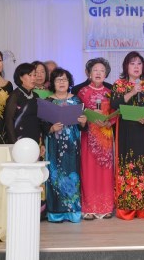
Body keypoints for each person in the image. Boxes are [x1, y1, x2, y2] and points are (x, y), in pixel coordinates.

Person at [111, 51, 144, 220]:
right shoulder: (119, 84)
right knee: (127, 167)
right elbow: (115, 104)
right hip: (126, 132)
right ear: (126, 67)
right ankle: (126, 209)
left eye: (139, 64)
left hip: (143, 131)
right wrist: (132, 92)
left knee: (143, 167)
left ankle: (143, 208)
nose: (136, 67)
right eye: (132, 63)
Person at [44, 68, 87, 223]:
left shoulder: (76, 100)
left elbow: (83, 126)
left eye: (64, 79)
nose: (61, 82)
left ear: (69, 82)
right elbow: (42, 125)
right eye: (58, 79)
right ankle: (55, 213)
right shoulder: (48, 101)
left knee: (72, 175)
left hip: (72, 145)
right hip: (54, 145)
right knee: (54, 176)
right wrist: (51, 128)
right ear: (53, 83)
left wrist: (83, 122)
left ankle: (73, 212)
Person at [76, 58, 116, 220]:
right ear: (89, 73)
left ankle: (106, 207)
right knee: (88, 170)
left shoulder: (110, 92)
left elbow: (115, 112)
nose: (98, 73)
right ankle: (89, 207)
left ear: (106, 74)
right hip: (89, 135)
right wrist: (85, 119)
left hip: (105, 135)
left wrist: (109, 121)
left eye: (102, 70)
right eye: (95, 70)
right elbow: (78, 113)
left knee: (105, 171)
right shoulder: (82, 92)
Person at [4, 62, 49, 144]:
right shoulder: (15, 96)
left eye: (34, 75)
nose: (33, 78)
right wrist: (14, 144)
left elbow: (40, 120)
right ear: (21, 77)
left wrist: (42, 143)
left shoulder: (36, 96)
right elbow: (9, 121)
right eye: (30, 75)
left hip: (35, 140)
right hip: (19, 141)